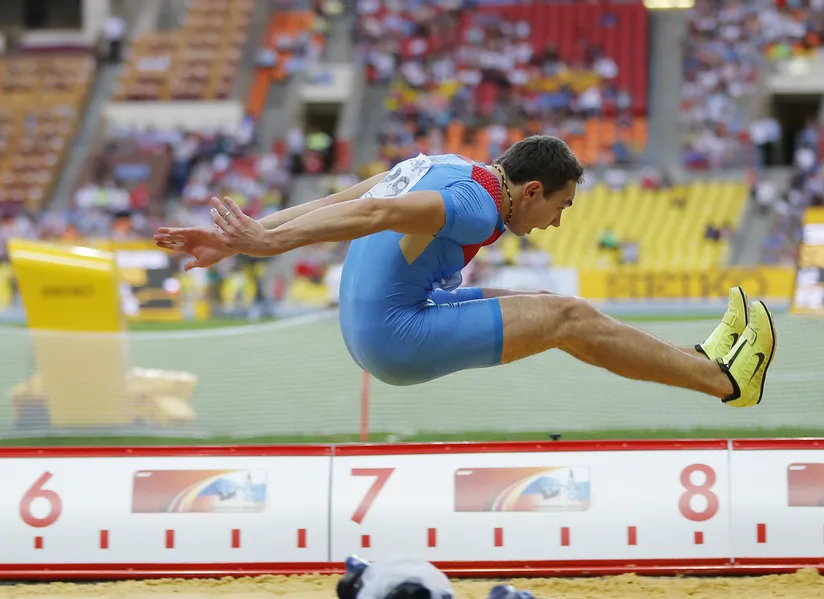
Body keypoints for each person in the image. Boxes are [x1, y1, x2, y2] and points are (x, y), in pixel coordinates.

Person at [155, 136, 776, 406]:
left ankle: (701, 356)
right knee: (566, 315)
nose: (556, 223)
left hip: (384, 318)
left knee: (547, 303)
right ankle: (725, 382)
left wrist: (240, 240)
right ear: (531, 191)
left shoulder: (448, 165)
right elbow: (373, 212)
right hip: (395, 337)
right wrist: (266, 243)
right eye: (561, 207)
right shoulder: (475, 204)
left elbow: (345, 196)